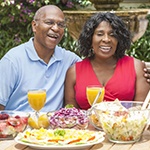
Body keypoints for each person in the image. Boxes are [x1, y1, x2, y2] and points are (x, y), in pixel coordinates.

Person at [0, 5, 81, 112]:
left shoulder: (70, 60)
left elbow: (94, 70)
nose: (56, 28)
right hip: (19, 125)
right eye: (49, 22)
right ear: (34, 26)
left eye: (61, 24)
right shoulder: (12, 61)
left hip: (54, 127)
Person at [64, 12, 150, 110]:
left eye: (112, 34)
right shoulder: (74, 72)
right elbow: (70, 113)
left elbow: (142, 112)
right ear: (90, 39)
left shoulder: (136, 67)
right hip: (85, 125)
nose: (106, 39)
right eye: (100, 34)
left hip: (126, 124)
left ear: (119, 39)